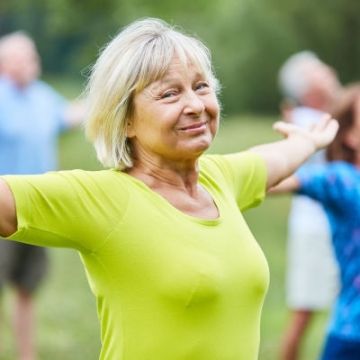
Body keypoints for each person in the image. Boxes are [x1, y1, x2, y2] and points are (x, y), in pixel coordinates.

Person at [0, 18, 339, 360]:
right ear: (125, 119)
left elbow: (271, 159)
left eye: (201, 86)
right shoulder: (106, 199)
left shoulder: (219, 178)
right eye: (169, 93)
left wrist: (305, 142)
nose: (194, 104)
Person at [0, 31, 85, 360]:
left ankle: (26, 354)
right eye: (21, 55)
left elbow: (72, 115)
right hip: (2, 206)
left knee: (27, 285)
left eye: (32, 54)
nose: (30, 60)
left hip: (38, 207)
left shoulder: (41, 95)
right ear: (5, 64)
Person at [269, 91, 360, 360]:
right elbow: (272, 180)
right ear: (350, 136)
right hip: (352, 339)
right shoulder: (342, 180)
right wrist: (294, 149)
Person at [277, 51, 341, 360]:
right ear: (306, 88)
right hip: (315, 230)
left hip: (331, 225)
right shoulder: (308, 121)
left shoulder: (320, 115)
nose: (327, 71)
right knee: (304, 313)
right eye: (318, 71)